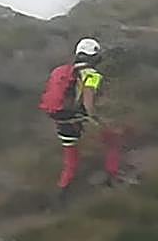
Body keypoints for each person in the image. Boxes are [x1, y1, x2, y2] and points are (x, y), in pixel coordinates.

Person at [39, 37, 120, 203]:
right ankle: (112, 179)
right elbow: (88, 103)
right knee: (112, 142)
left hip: (61, 121)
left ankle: (61, 195)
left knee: (71, 161)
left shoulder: (60, 72)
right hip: (79, 119)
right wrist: (97, 121)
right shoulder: (92, 75)